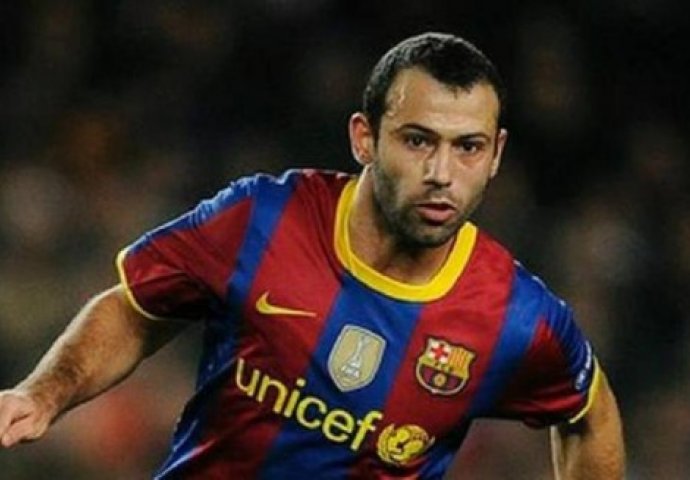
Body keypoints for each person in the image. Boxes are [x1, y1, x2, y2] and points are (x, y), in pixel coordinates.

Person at [0, 32, 624, 479]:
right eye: (417, 141)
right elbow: (137, 309)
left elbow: (588, 414)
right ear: (364, 138)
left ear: (496, 154)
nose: (442, 173)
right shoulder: (263, 218)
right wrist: (44, 394)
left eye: (468, 147)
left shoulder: (516, 316)